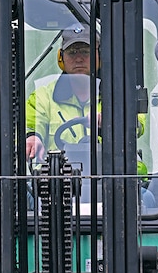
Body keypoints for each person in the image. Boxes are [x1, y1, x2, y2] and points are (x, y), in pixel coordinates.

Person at [25, 25, 146, 169]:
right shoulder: (42, 98)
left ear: (100, 55)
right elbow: (27, 128)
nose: (78, 59)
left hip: (113, 180)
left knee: (148, 193)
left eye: (85, 52)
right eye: (72, 52)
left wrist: (111, 121)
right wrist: (32, 137)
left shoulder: (120, 94)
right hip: (57, 183)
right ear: (61, 58)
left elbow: (137, 126)